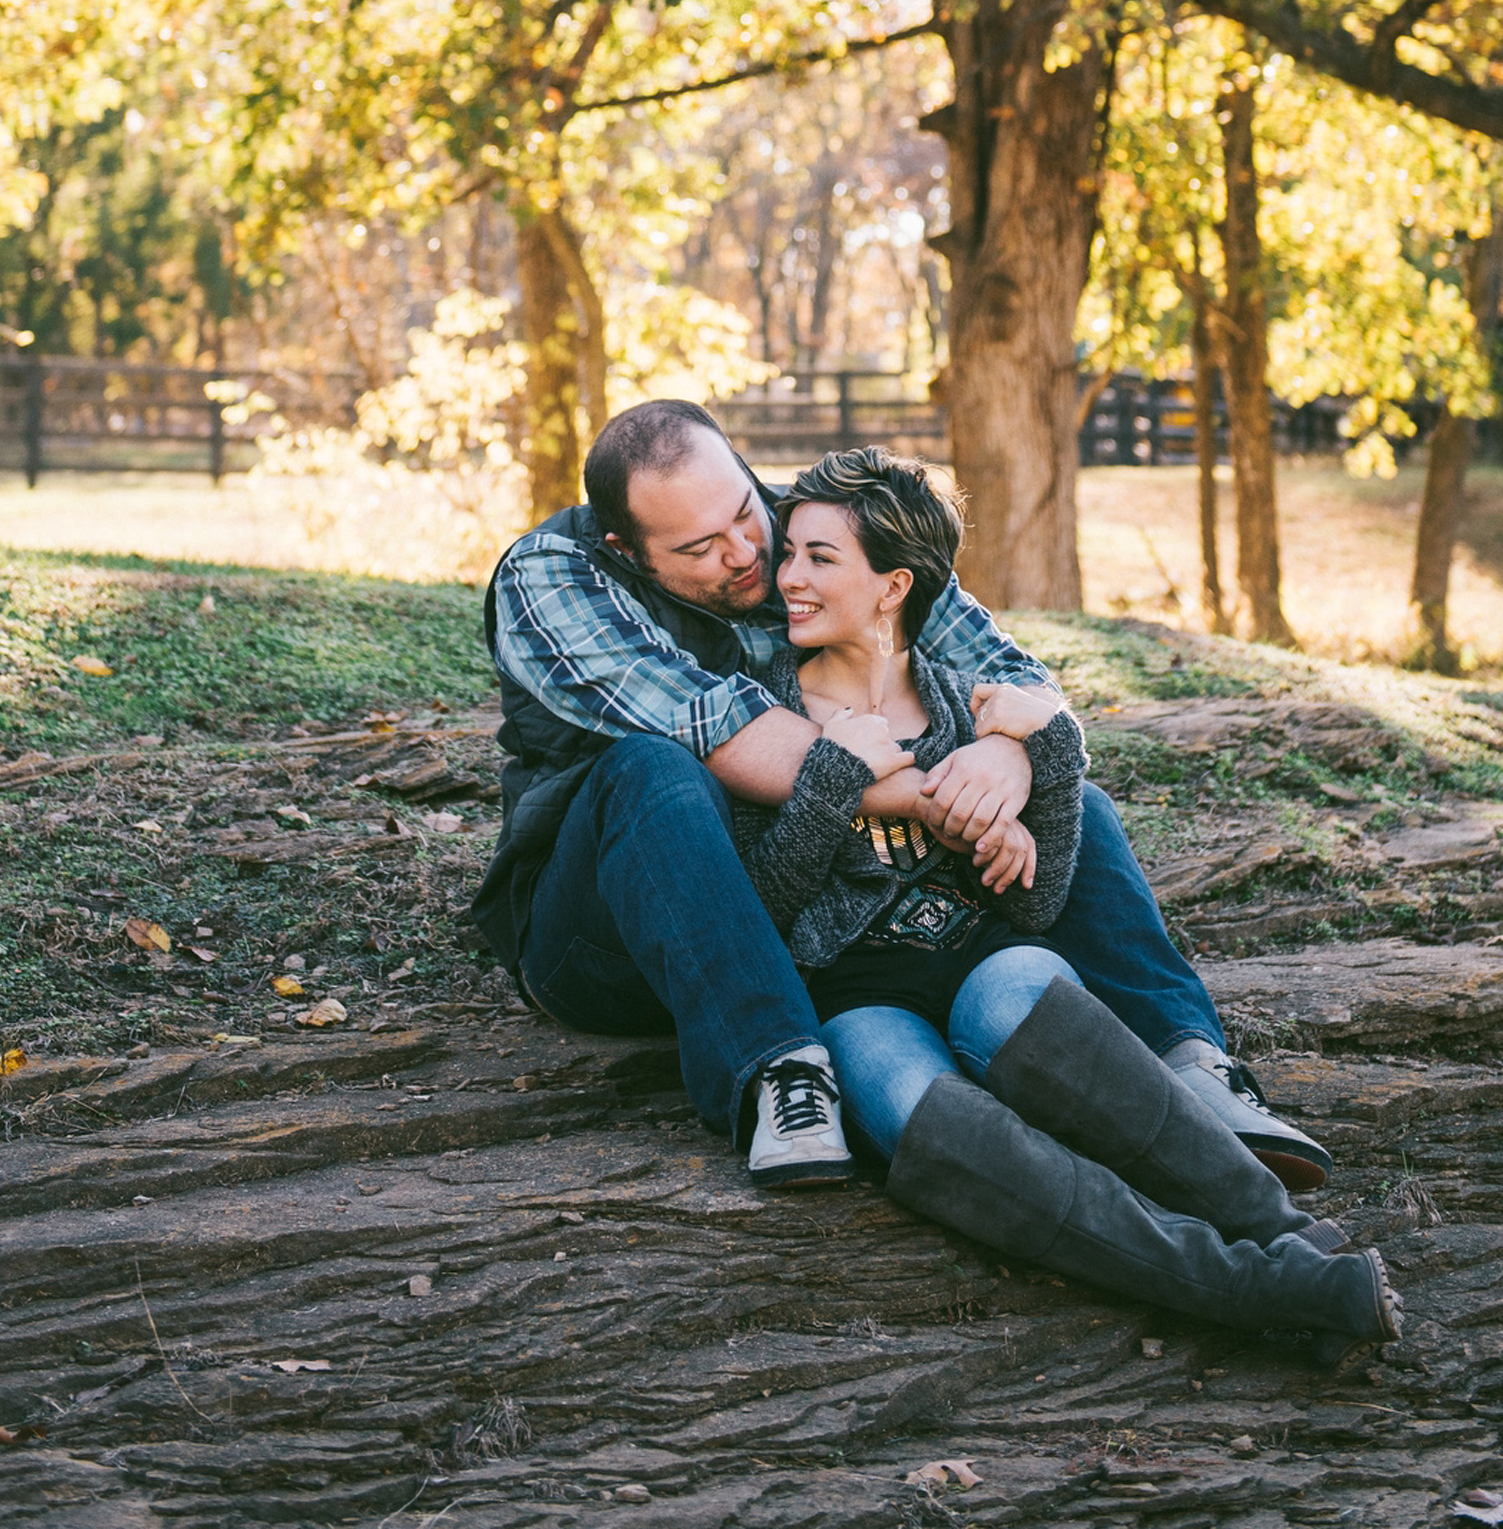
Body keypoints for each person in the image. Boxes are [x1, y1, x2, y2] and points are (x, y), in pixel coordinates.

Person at [470, 398, 1331, 1192]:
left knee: (1081, 807)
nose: (746, 555)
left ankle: (1194, 1068)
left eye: (741, 512)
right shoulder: (555, 577)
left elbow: (1017, 679)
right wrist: (935, 795)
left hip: (801, 901)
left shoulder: (810, 526)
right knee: (654, 769)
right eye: (697, 550)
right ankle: (781, 1073)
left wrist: (1010, 756)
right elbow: (718, 729)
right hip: (609, 929)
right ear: (629, 550)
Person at [724, 450, 1400, 1346]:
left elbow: (1039, 911)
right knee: (941, 1127)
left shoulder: (977, 709)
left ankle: (1286, 1235)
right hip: (854, 1000)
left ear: (892, 585)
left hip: (986, 962)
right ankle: (1253, 1293)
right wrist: (833, 779)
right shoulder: (757, 714)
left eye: (819, 558)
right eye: (791, 553)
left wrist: (1040, 772)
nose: (788, 579)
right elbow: (760, 909)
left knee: (1034, 996)